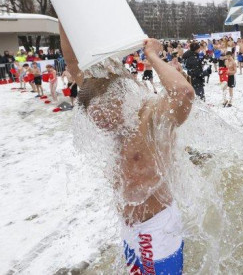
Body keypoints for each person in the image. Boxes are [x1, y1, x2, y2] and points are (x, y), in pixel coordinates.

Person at [60, 26, 194, 274]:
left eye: (104, 117)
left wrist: (153, 56)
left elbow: (183, 93)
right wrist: (64, 9)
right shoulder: (105, 103)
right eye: (95, 119)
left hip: (157, 226)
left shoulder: (152, 118)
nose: (102, 125)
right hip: (129, 228)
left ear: (120, 98)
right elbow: (73, 61)